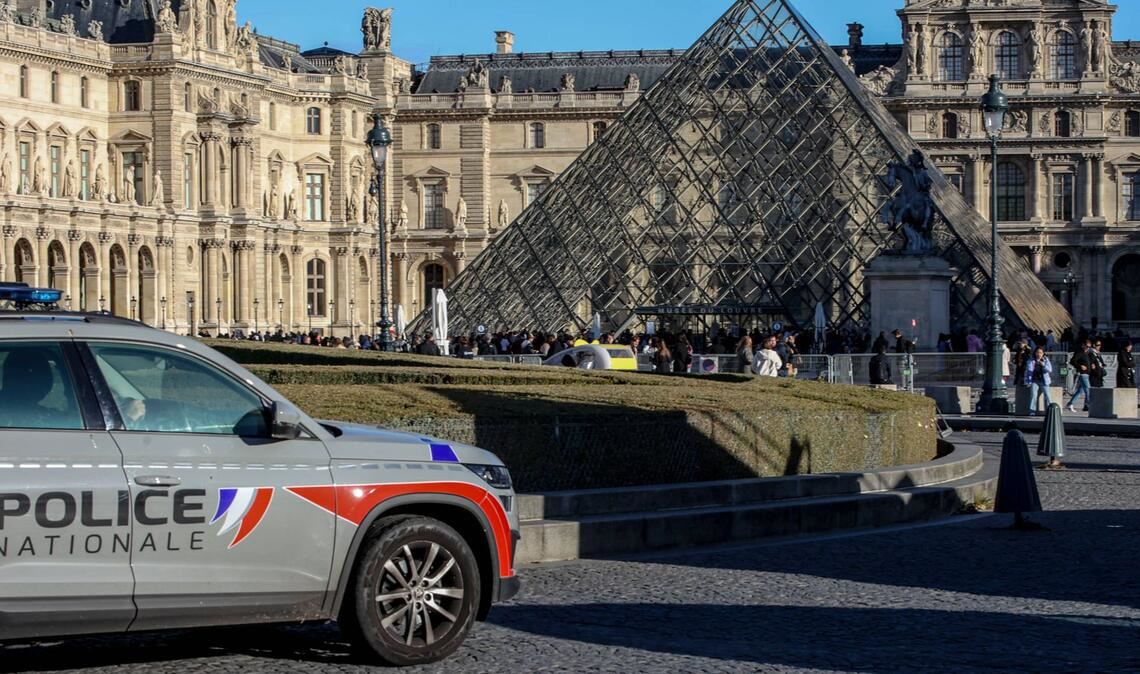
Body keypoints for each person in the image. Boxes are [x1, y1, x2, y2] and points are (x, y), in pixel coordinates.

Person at [1024, 346, 1053, 416]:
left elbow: (1050, 370)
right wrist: (1027, 382)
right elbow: (1027, 372)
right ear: (1035, 353)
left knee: (1047, 396)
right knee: (1033, 395)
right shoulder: (1031, 360)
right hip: (1034, 380)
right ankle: (1032, 411)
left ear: (1043, 353)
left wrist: (1043, 365)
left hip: (1044, 381)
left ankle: (1050, 411)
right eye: (1037, 352)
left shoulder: (1046, 360)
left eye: (1040, 353)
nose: (1039, 354)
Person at [1067, 341, 1092, 412]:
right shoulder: (1080, 353)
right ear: (1083, 345)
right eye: (1087, 346)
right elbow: (1072, 361)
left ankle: (1070, 403)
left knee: (1080, 391)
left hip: (1086, 374)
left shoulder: (1086, 354)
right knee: (1088, 389)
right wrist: (1080, 366)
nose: (1088, 348)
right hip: (1082, 374)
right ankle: (1089, 405)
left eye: (1089, 347)